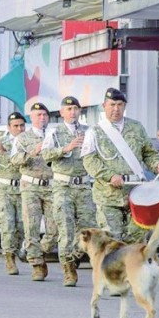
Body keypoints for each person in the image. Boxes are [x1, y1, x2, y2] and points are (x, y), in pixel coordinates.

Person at [82, 88, 159, 244]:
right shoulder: (94, 132)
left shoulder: (136, 127)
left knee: (136, 241)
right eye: (112, 105)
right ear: (104, 106)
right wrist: (110, 176)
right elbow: (89, 160)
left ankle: (130, 260)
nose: (116, 109)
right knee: (111, 242)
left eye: (120, 104)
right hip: (108, 195)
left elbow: (149, 153)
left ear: (124, 106)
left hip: (136, 193)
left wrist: (158, 165)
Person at [41, 96, 95, 286]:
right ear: (62, 112)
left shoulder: (89, 131)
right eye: (69, 109)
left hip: (84, 186)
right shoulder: (54, 132)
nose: (73, 112)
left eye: (76, 109)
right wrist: (66, 148)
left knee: (88, 229)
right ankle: (68, 269)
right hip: (62, 186)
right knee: (65, 228)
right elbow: (45, 154)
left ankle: (75, 255)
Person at [11, 102, 58, 282]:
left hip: (52, 186)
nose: (42, 118)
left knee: (54, 229)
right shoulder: (22, 138)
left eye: (45, 115)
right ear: (31, 117)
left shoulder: (55, 135)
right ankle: (36, 264)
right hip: (30, 186)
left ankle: (41, 251)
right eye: (38, 115)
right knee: (31, 226)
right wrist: (32, 152)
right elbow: (14, 159)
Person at [0, 112, 26, 275]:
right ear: (9, 127)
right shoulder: (1, 141)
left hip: (23, 188)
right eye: (15, 126)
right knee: (7, 224)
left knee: (21, 226)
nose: (19, 129)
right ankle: (9, 258)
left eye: (22, 125)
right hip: (4, 188)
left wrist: (5, 152)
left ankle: (17, 249)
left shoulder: (28, 141)